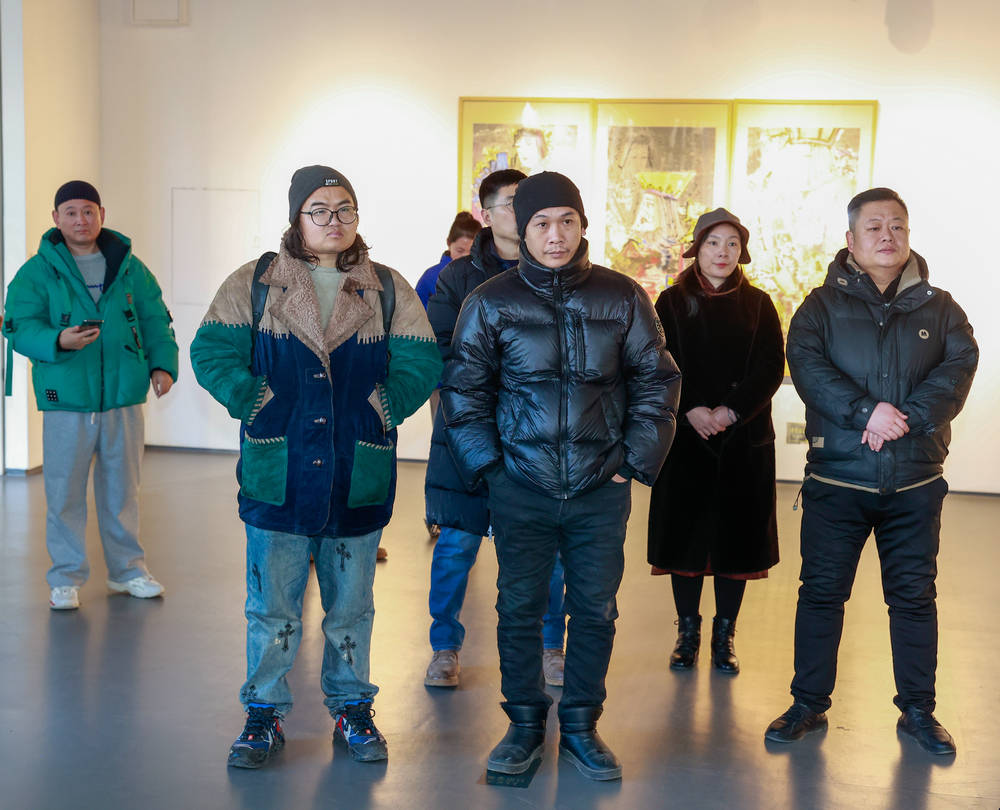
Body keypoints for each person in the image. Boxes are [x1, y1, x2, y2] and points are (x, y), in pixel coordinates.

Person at [190, 165, 441, 769]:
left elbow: (421, 359)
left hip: (357, 467)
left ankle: (352, 706)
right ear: (296, 217)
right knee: (271, 607)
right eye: (320, 209)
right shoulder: (256, 283)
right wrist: (251, 398)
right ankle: (264, 711)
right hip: (279, 468)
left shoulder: (386, 287)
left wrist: (386, 404)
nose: (334, 220)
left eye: (345, 208)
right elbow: (211, 350)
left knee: (352, 606)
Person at [441, 172, 681, 780]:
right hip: (520, 485)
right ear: (521, 231)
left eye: (567, 222)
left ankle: (580, 725)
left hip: (602, 487)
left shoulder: (623, 297)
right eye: (542, 224)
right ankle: (524, 725)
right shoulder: (490, 301)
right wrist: (491, 469)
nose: (556, 235)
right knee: (519, 608)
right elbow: (464, 393)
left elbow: (658, 382)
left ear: (582, 227)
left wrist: (634, 463)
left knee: (596, 610)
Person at [765, 188, 977, 755]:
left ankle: (918, 711)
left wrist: (903, 418)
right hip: (837, 482)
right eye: (875, 226)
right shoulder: (819, 307)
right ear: (851, 240)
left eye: (898, 226)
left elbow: (959, 368)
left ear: (909, 235)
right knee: (821, 594)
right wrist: (866, 413)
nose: (888, 235)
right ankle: (808, 704)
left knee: (913, 598)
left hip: (915, 483)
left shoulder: (942, 308)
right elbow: (807, 368)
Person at [422, 169, 568, 691]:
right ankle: (445, 648)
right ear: (486, 215)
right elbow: (439, 348)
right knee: (456, 546)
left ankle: (552, 647)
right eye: (512, 203)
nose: (524, 212)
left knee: (547, 551)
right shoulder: (458, 278)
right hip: (467, 432)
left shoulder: (555, 271)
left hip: (539, 436)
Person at [3, 180, 178, 610]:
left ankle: (127, 571)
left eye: (88, 211)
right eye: (71, 212)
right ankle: (65, 578)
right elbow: (18, 325)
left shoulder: (131, 268)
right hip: (66, 398)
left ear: (102, 214)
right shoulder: (37, 272)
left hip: (123, 396)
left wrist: (162, 365)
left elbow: (155, 319)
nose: (81, 220)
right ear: (56, 218)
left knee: (123, 492)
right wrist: (57, 340)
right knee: (64, 493)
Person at [648, 208, 784, 675]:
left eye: (732, 244)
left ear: (741, 251)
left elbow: (771, 367)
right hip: (686, 440)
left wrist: (730, 411)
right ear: (696, 248)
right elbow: (658, 362)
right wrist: (691, 409)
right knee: (684, 541)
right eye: (713, 242)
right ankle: (687, 632)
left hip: (743, 440)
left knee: (735, 544)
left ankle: (725, 635)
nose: (722, 252)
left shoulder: (760, 304)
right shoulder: (669, 302)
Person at [415, 211, 482, 311]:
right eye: (460, 251)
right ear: (448, 243)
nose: (465, 256)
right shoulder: (431, 276)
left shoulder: (486, 275)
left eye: (471, 252)